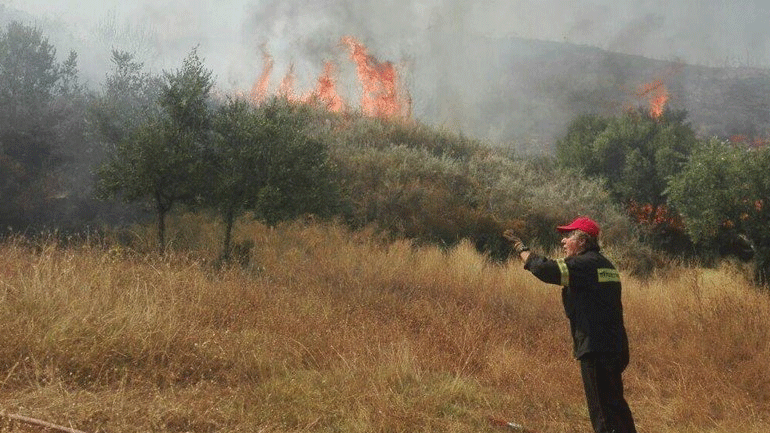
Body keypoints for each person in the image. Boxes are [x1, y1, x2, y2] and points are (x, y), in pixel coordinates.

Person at [503, 216, 637, 433]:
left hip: (596, 348)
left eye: (568, 236)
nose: (563, 241)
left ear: (582, 241)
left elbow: (546, 270)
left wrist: (521, 248)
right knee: (616, 407)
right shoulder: (606, 265)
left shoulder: (584, 265)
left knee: (603, 413)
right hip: (616, 347)